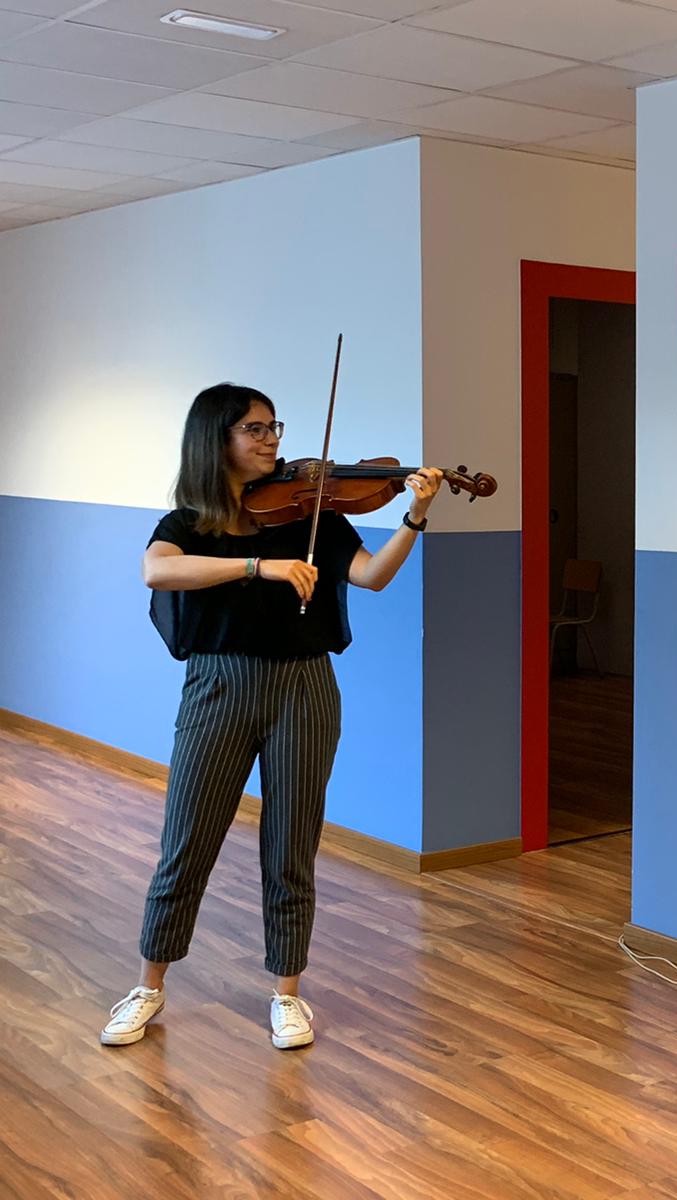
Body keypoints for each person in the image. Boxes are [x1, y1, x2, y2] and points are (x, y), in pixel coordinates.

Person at [100, 383, 442, 1050]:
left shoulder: (314, 516)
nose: (271, 440)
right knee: (187, 840)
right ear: (217, 439)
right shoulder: (188, 523)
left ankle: (288, 994)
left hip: (304, 687)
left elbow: (372, 575)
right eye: (254, 429)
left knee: (292, 845)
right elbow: (157, 572)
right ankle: (148, 986)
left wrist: (415, 514)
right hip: (218, 686)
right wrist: (259, 566)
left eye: (273, 426)